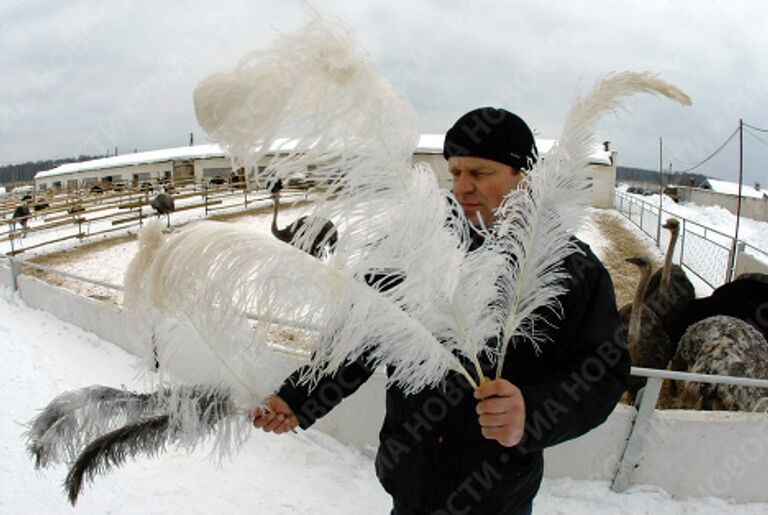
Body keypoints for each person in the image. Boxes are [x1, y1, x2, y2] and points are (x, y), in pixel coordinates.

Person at [253, 107, 630, 514]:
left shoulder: (570, 269)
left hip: (497, 497)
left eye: (480, 173)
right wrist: (299, 398)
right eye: (454, 173)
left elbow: (602, 372)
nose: (462, 187)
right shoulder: (413, 249)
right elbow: (361, 334)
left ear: (524, 177)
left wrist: (532, 412)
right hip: (411, 487)